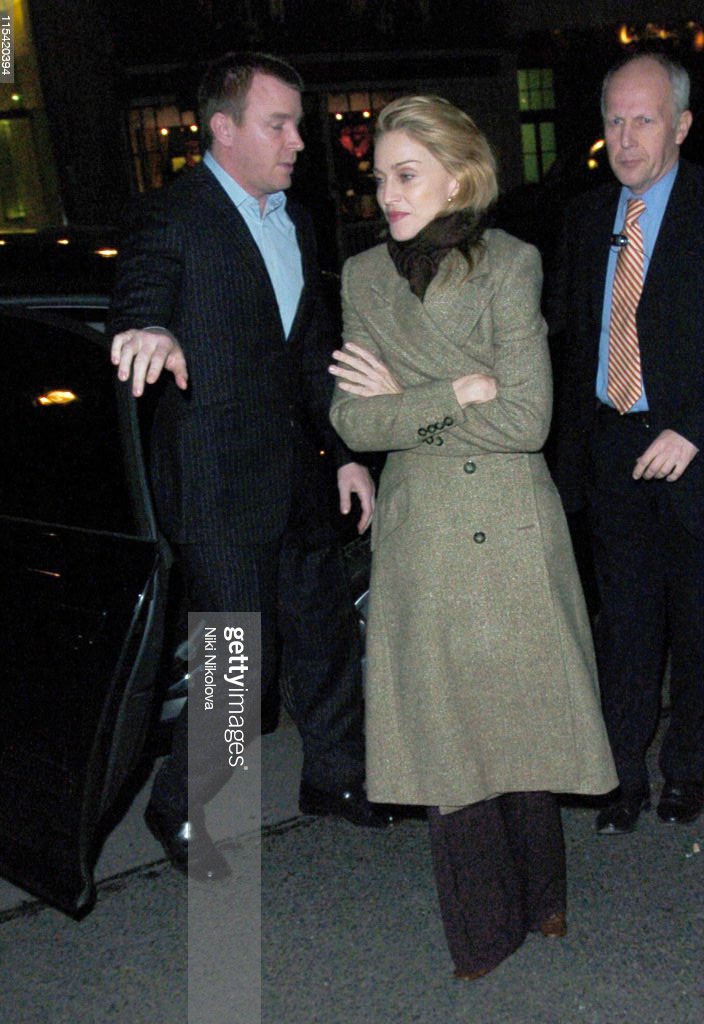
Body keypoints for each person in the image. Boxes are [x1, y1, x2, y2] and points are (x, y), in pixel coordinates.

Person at [328, 94, 617, 980]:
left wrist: (403, 404)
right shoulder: (363, 278)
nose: (386, 194)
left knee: (518, 722)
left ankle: (544, 896)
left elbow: (528, 419)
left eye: (406, 175)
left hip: (509, 529)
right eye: (379, 177)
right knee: (448, 737)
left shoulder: (510, 263)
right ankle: (484, 931)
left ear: (458, 178)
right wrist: (456, 391)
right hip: (424, 537)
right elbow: (353, 420)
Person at [109, 52, 392, 881]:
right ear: (224, 130)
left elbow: (311, 353)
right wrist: (148, 330)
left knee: (326, 632)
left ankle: (335, 777)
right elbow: (142, 293)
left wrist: (345, 455)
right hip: (219, 485)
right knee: (238, 663)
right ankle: (183, 806)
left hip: (298, 474)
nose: (300, 140)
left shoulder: (295, 221)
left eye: (298, 123)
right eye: (280, 124)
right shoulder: (173, 216)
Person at [549, 52, 704, 835]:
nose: (626, 137)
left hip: (690, 451)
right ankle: (621, 777)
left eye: (644, 119)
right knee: (625, 622)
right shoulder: (586, 219)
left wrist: (695, 427)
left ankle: (689, 770)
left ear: (681, 125)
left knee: (697, 620)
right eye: (614, 119)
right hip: (611, 448)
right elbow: (568, 340)